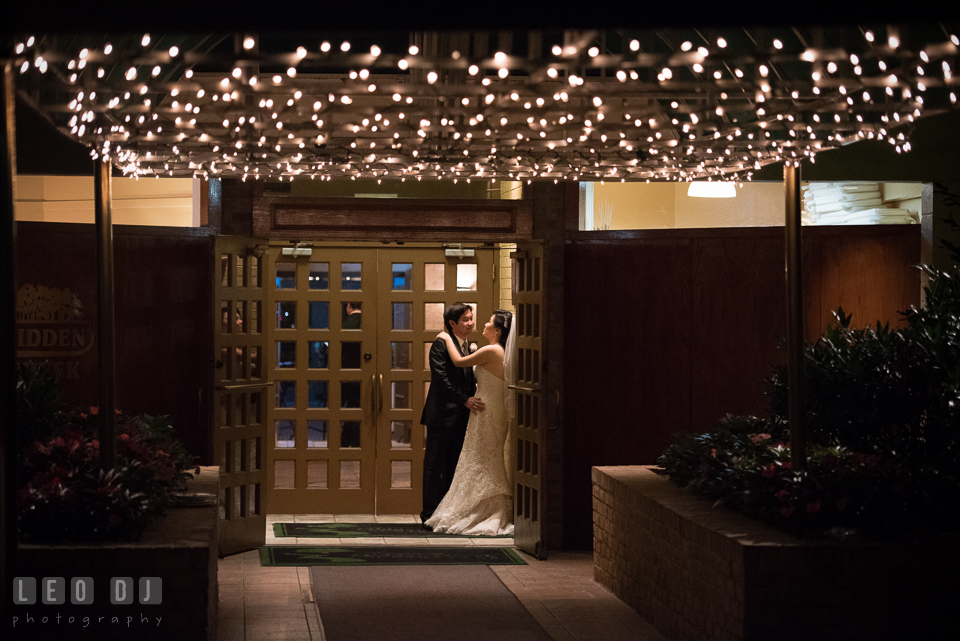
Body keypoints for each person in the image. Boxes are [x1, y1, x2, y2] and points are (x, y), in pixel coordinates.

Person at [425, 309, 516, 536]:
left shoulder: (491, 350)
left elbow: (457, 362)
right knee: (482, 458)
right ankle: (480, 507)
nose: (478, 323)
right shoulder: (496, 350)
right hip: (488, 410)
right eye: (467, 319)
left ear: (497, 330)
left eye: (488, 321)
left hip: (486, 411)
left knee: (481, 458)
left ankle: (484, 509)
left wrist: (444, 337)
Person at [420, 303, 485, 525]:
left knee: (454, 465)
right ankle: (429, 515)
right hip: (441, 414)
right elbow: (441, 379)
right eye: (465, 319)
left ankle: (446, 513)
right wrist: (464, 399)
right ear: (452, 323)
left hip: (462, 416)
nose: (471, 322)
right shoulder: (440, 344)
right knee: (434, 465)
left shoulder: (468, 345)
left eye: (471, 317)